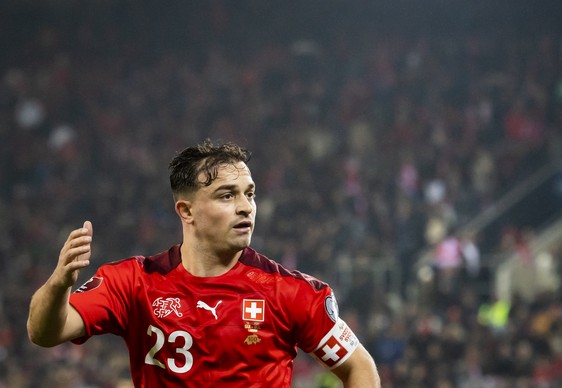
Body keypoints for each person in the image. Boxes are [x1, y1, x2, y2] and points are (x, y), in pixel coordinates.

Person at [27, 140, 381, 387]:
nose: (246, 207)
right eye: (227, 195)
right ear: (187, 211)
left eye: (250, 194)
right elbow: (44, 333)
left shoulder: (293, 292)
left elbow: (359, 369)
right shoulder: (133, 282)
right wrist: (59, 284)